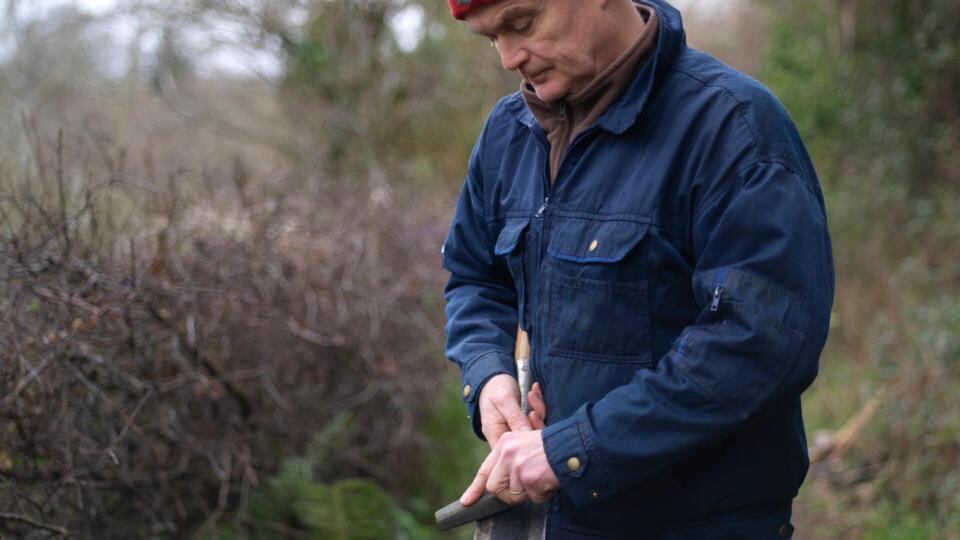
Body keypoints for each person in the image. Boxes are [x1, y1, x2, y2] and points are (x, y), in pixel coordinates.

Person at [440, 0, 835, 537]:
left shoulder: (734, 129)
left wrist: (575, 449)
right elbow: (473, 277)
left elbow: (760, 343)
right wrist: (488, 375)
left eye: (522, 23)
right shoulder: (506, 136)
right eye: (492, 38)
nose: (510, 58)